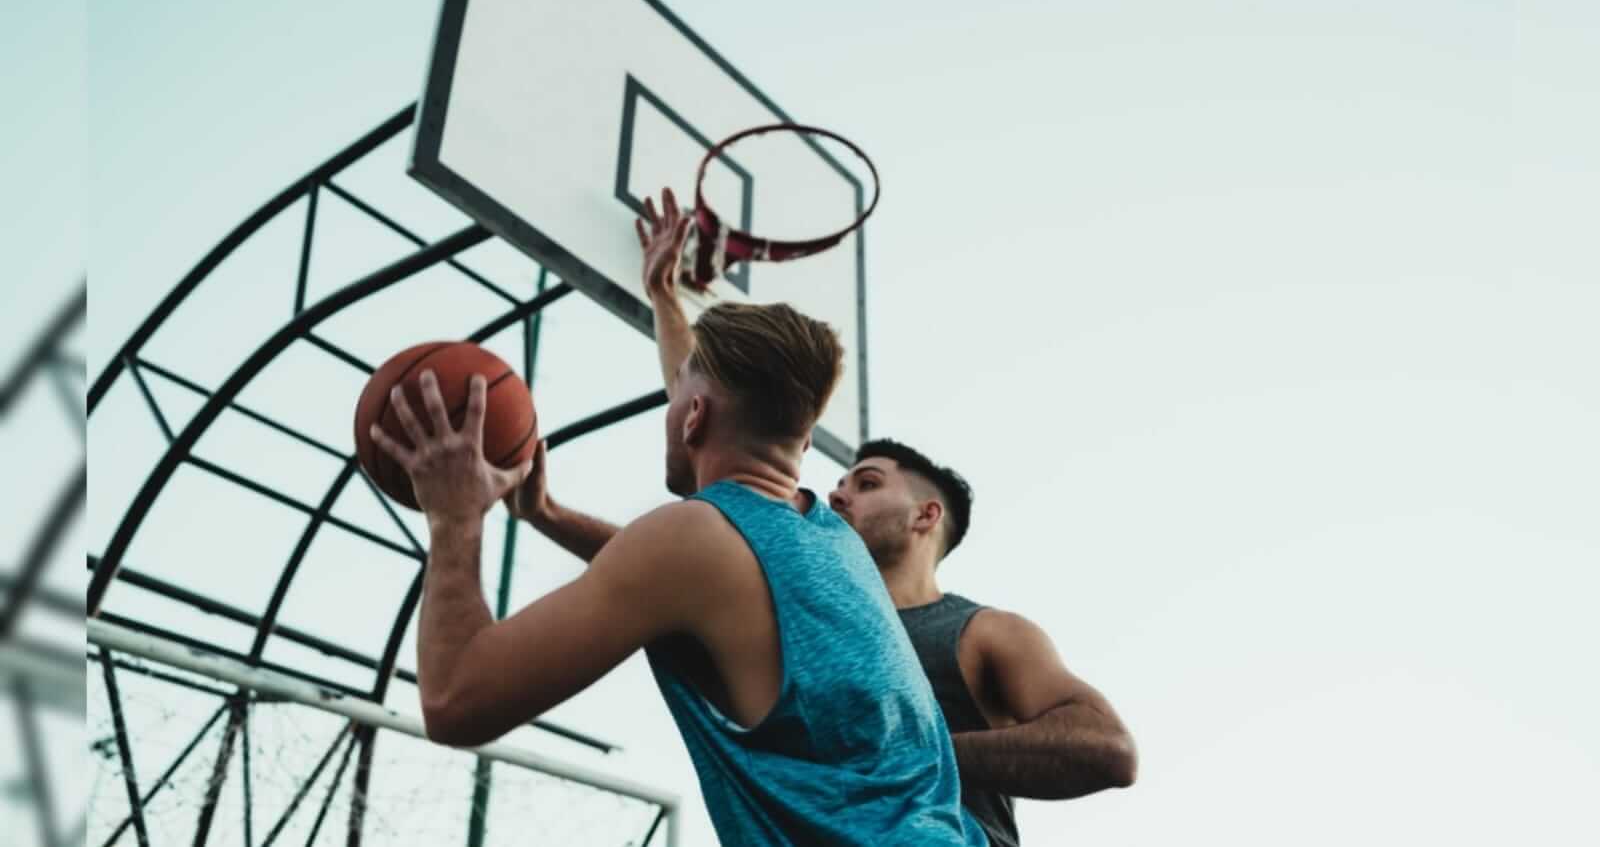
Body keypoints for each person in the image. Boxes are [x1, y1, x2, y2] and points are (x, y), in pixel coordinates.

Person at [369, 188, 987, 845]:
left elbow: (455, 701)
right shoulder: (831, 539)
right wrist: (663, 296)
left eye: (680, 398)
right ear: (802, 438)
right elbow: (704, 418)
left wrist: (456, 514)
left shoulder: (692, 543)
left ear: (693, 418)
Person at [828, 441, 1138, 847]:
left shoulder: (981, 631)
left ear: (925, 515)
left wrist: (914, 755)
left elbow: (1108, 748)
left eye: (867, 484)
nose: (836, 496)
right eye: (840, 485)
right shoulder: (814, 632)